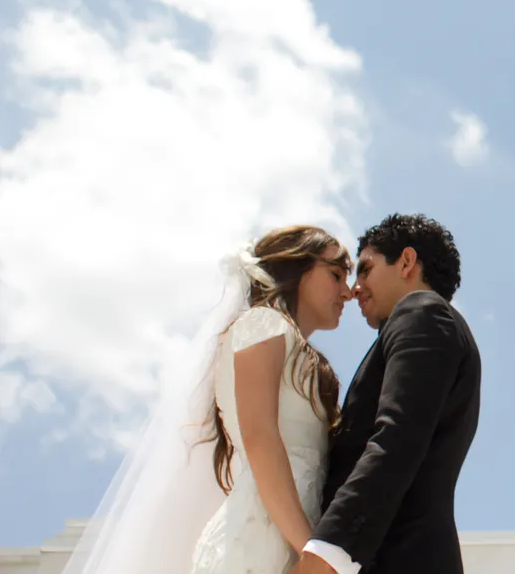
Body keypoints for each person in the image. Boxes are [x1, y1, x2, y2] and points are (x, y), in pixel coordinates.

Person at [62, 224, 354, 574]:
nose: (348, 292)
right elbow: (260, 438)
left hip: (295, 533)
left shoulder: (301, 355)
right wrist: (311, 552)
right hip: (260, 540)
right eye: (336, 274)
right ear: (297, 268)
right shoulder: (262, 324)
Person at [292, 213, 481, 574]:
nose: (354, 288)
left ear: (406, 262)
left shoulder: (421, 313)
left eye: (365, 269)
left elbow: (397, 438)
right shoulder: (430, 324)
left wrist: (329, 551)